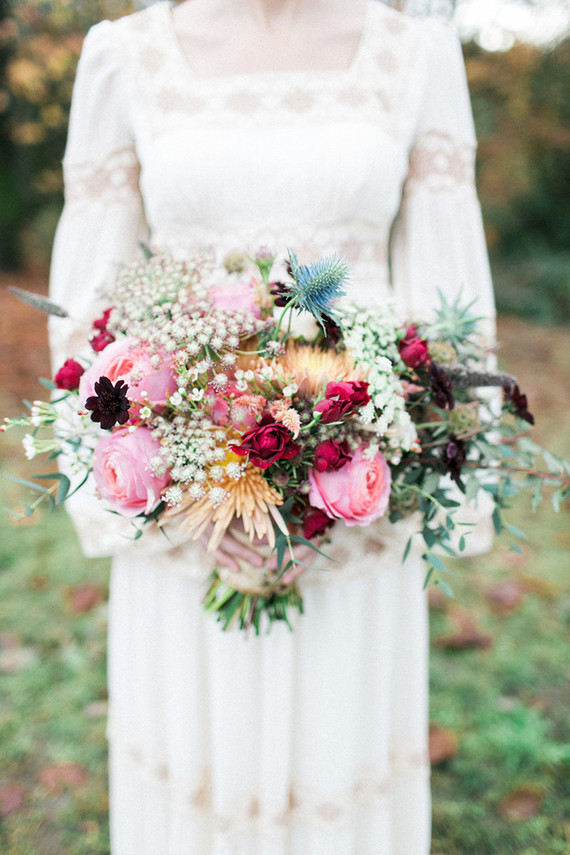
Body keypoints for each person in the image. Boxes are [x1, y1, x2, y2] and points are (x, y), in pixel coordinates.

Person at [49, 0, 496, 852]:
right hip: (184, 514)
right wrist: (176, 488)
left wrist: (392, 469)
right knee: (199, 753)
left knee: (339, 747)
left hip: (363, 487)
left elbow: (451, 295)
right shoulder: (123, 55)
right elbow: (88, 299)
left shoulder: (416, 52)